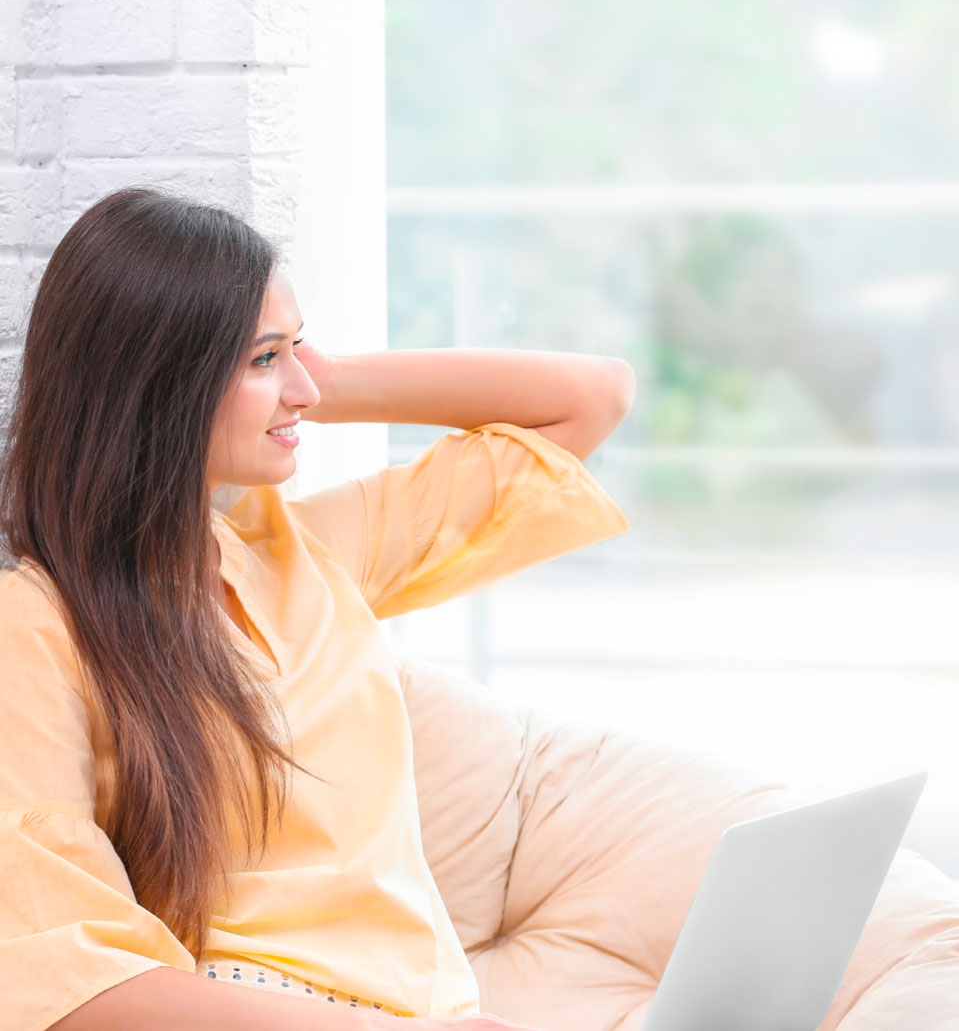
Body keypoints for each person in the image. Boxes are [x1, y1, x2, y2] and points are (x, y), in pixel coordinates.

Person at [0, 188, 634, 1030]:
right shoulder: (36, 626)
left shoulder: (303, 548)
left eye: (300, 348)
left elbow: (593, 396)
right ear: (163, 385)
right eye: (266, 360)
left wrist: (297, 378)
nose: (303, 385)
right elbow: (70, 977)